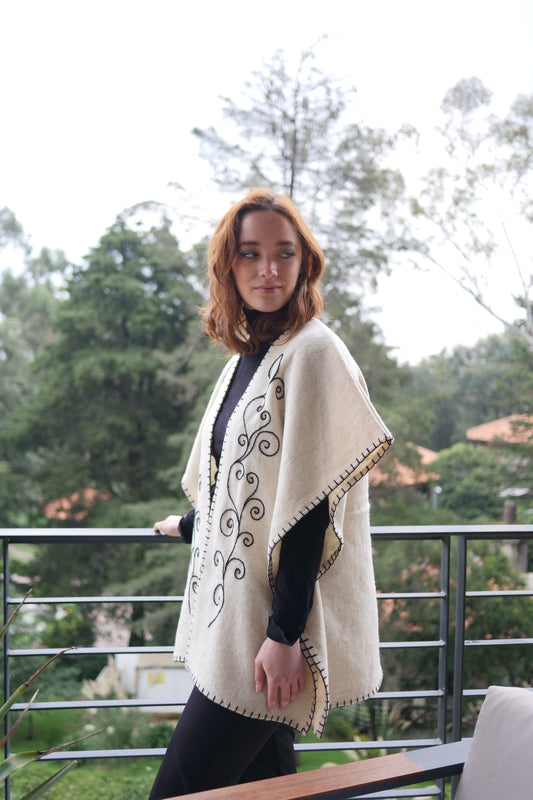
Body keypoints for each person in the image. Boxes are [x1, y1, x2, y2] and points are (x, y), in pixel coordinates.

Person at [148, 188, 393, 799]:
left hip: (264, 631)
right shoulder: (249, 356)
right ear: (227, 264)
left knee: (180, 789)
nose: (268, 269)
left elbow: (310, 504)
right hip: (239, 616)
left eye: (284, 253)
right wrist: (190, 524)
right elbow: (246, 483)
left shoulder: (313, 351)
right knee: (266, 789)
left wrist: (284, 636)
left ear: (304, 262)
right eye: (250, 253)